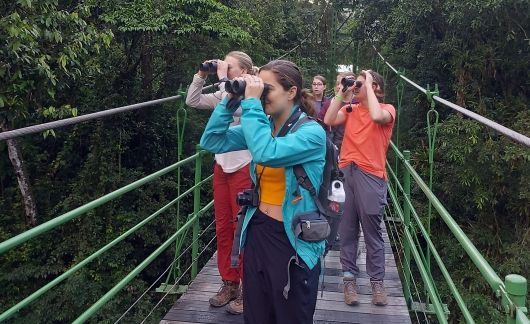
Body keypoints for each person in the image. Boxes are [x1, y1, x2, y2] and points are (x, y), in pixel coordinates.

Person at [200, 60, 326, 324]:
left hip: (292, 240)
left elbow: (265, 152)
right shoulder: (264, 126)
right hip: (257, 230)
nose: (262, 95)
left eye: (267, 89)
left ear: (291, 92)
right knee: (256, 315)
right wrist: (231, 100)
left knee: (291, 316)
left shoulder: (312, 133)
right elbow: (211, 140)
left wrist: (251, 104)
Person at [185, 51, 254, 315]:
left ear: (245, 72)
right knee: (224, 226)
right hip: (222, 167)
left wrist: (225, 78)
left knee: (243, 228)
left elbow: (236, 107)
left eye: (231, 67)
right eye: (224, 65)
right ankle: (229, 282)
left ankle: (250, 286)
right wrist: (202, 74)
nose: (224, 69)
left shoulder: (252, 94)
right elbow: (192, 101)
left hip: (244, 166)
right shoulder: (222, 92)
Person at [323, 70, 395, 307]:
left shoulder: (388, 110)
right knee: (347, 229)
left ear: (375, 88)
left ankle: (377, 282)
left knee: (372, 232)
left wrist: (369, 83)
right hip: (346, 172)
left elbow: (376, 116)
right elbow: (329, 120)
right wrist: (341, 94)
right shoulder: (350, 109)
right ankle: (349, 279)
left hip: (371, 175)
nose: (356, 86)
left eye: (361, 84)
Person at [318, 72, 358, 151]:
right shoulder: (330, 102)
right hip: (333, 145)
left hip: (352, 146)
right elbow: (321, 124)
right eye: (338, 83)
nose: (339, 86)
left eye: (343, 83)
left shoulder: (358, 103)